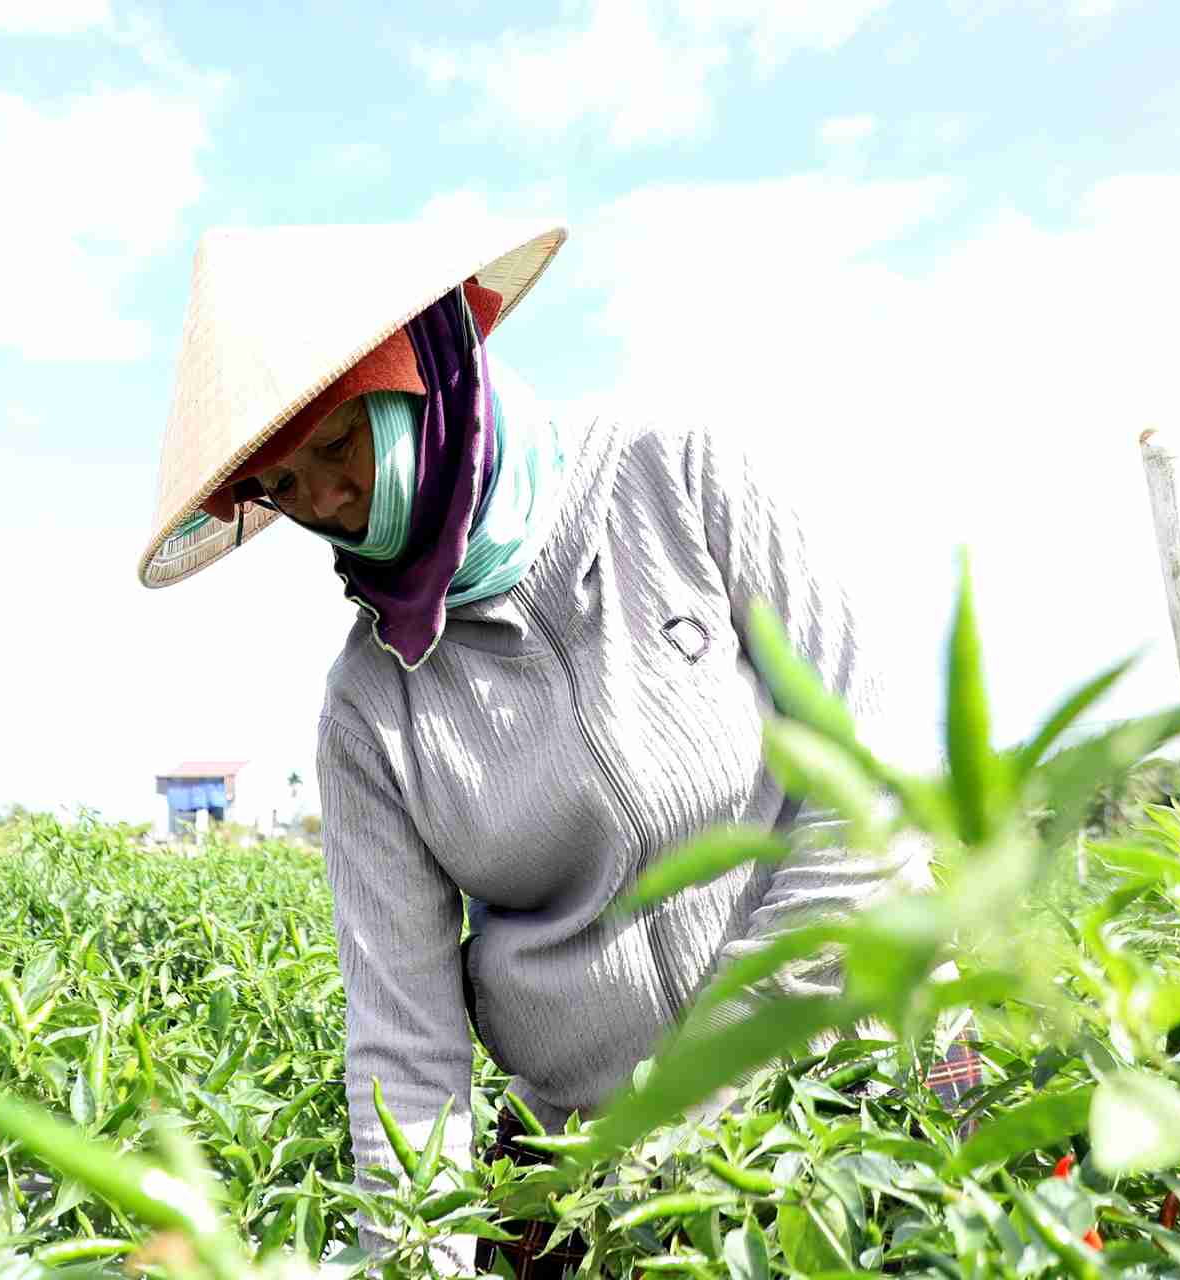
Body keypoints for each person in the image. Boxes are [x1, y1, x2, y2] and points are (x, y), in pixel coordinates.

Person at [137, 221, 941, 1276]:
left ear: (427, 369)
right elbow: (406, 1043)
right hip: (599, 1179)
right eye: (282, 488)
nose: (327, 503)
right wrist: (419, 1253)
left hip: (851, 1100)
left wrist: (703, 1093)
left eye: (339, 444)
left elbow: (867, 798)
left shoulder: (679, 483)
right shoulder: (373, 708)